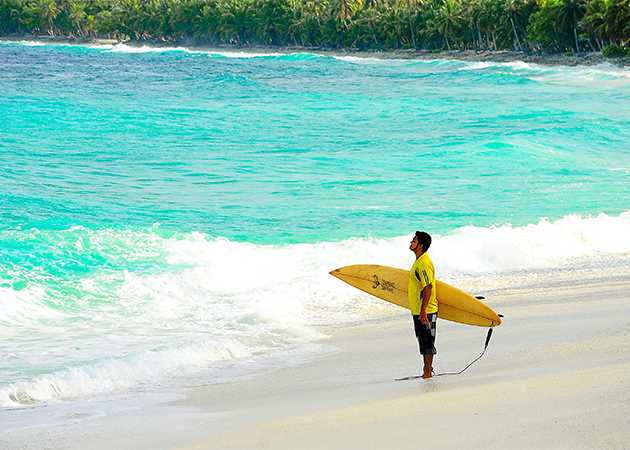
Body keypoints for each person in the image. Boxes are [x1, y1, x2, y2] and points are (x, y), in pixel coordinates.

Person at [408, 231, 438, 378]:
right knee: (422, 339)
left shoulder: (424, 263)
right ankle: (426, 371)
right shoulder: (419, 261)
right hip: (418, 309)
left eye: (414, 241)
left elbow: (428, 287)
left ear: (420, 245)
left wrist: (424, 310)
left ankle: (427, 373)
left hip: (426, 310)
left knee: (427, 341)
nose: (411, 242)